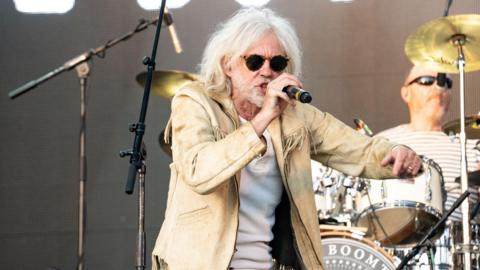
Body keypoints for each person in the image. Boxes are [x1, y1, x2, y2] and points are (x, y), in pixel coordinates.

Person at [151, 8, 421, 270]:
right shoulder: (195, 100)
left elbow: (356, 148)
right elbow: (199, 171)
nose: (267, 71)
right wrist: (263, 118)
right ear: (228, 65)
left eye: (277, 63)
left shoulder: (295, 116)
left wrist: (396, 152)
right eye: (255, 61)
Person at [376, 65, 480, 268]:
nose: (438, 87)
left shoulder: (471, 144)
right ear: (406, 92)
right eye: (426, 81)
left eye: (446, 82)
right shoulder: (383, 142)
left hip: (460, 254)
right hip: (393, 250)